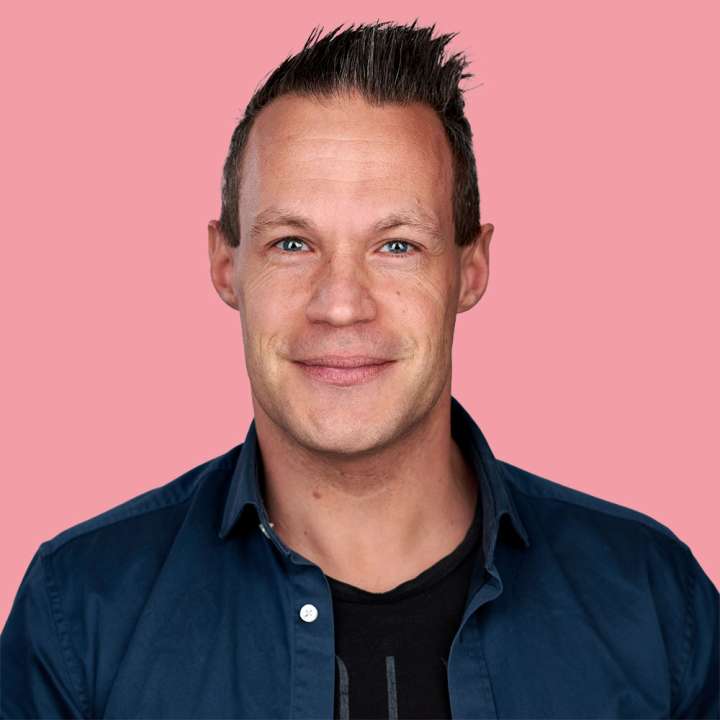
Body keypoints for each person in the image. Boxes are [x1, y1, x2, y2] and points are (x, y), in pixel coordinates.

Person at [2, 19, 717, 720]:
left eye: (397, 246)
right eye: (292, 243)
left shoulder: (657, 604)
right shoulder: (79, 616)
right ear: (226, 266)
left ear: (471, 270)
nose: (340, 305)